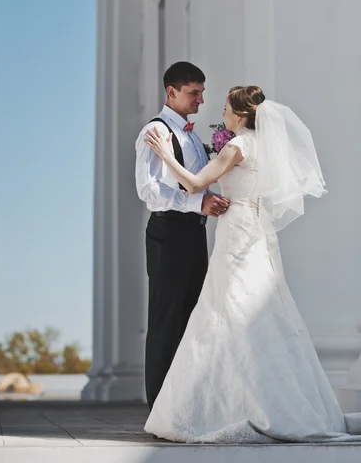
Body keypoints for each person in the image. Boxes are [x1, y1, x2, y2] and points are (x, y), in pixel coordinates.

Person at [142, 85, 361, 443]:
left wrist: (167, 155)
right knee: (253, 305)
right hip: (254, 225)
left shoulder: (237, 145)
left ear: (241, 114)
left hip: (237, 229)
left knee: (225, 306)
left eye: (227, 109)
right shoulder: (261, 145)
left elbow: (196, 184)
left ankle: (223, 406)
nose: (223, 114)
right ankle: (262, 398)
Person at [135, 62, 233, 412]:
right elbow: (149, 191)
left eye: (202, 91)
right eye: (194, 92)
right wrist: (198, 202)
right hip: (168, 232)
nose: (201, 99)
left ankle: (186, 403)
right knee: (166, 317)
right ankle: (160, 407)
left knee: (193, 315)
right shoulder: (155, 132)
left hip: (193, 233)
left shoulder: (191, 133)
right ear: (171, 92)